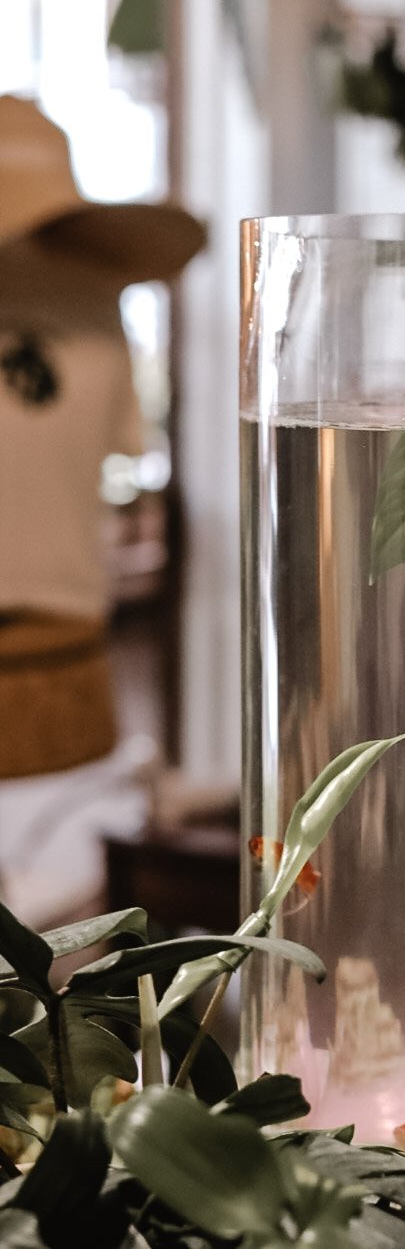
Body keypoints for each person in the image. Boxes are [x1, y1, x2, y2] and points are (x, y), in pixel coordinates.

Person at [0, 94, 205, 779]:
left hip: (63, 665)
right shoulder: (95, 297)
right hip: (71, 644)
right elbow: (124, 461)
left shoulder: (96, 298)